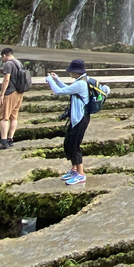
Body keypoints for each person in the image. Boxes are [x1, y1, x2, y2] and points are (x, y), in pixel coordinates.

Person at [48, 58, 93, 186]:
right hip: (75, 118)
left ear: (77, 72)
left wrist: (50, 81)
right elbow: (68, 88)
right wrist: (57, 80)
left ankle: (81, 174)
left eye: (71, 71)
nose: (70, 73)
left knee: (75, 146)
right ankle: (74, 170)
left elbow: (59, 91)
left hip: (80, 119)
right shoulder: (81, 81)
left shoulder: (81, 84)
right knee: (68, 143)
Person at [0, 46, 27, 150]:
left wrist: (2, 95)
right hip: (19, 92)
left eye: (2, 57)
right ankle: (10, 139)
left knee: (4, 117)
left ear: (4, 55)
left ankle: (3, 141)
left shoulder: (8, 64)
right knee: (14, 116)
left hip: (10, 92)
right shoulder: (18, 63)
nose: (2, 60)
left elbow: (6, 80)